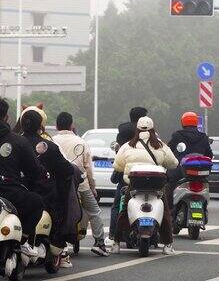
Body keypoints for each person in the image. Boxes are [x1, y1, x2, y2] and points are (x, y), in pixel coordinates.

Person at [0, 98, 45, 259]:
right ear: (6, 117)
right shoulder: (19, 141)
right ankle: (24, 240)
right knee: (37, 202)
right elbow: (34, 171)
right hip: (9, 192)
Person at [113, 116, 179, 255]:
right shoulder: (160, 145)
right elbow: (173, 163)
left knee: (123, 212)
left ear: (137, 129)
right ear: (153, 129)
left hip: (134, 185)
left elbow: (117, 166)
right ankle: (167, 245)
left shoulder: (128, 145)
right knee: (166, 214)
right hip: (157, 187)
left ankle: (116, 243)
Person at [18, 109, 77, 261]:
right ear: (41, 127)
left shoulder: (14, 142)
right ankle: (57, 243)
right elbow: (66, 169)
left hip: (16, 190)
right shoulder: (49, 146)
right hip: (42, 194)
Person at [52, 111, 110, 257]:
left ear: (56, 125)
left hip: (59, 186)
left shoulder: (52, 141)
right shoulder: (81, 142)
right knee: (94, 211)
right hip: (81, 185)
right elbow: (88, 168)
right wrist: (93, 187)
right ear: (72, 125)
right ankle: (100, 244)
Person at [109, 106, 147, 248]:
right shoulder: (149, 134)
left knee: (117, 205)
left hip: (125, 172)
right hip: (146, 174)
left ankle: (113, 234)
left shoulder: (123, 130)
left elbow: (118, 154)